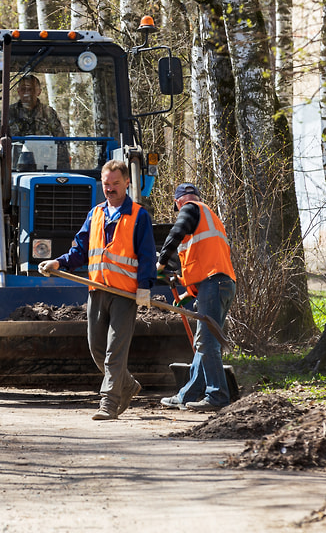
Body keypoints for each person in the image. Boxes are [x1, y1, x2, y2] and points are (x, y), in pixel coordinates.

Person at [38, 160, 156, 420]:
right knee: (96, 348)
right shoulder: (96, 214)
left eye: (115, 183)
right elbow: (79, 251)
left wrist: (145, 289)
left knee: (115, 350)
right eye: (106, 184)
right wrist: (58, 262)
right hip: (97, 291)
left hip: (125, 295)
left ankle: (109, 403)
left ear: (127, 183)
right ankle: (127, 385)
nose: (111, 189)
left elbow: (147, 256)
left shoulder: (139, 216)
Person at [156, 183, 237, 412]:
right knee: (203, 342)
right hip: (222, 284)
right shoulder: (209, 218)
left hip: (215, 284)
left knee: (206, 342)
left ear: (178, 202)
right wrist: (187, 294)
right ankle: (187, 395)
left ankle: (218, 396)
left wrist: (160, 263)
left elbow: (175, 233)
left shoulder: (190, 208)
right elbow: (205, 263)